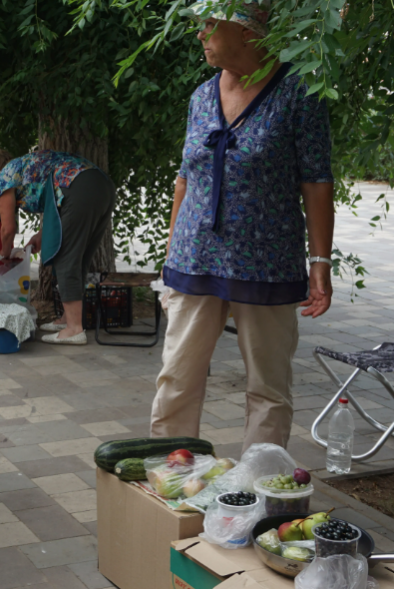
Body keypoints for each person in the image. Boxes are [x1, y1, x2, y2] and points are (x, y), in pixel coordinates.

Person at [151, 0, 335, 452]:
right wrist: (172, 252)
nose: (201, 34)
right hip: (195, 258)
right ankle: (172, 474)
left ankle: (257, 489)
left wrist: (320, 262)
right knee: (177, 374)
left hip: (266, 262)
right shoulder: (201, 97)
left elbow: (316, 182)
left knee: (268, 387)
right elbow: (185, 179)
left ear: (248, 32)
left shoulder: (299, 94)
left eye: (210, 24)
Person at [0, 148, 116, 345]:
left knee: (66, 257)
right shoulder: (26, 165)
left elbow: (7, 229)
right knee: (79, 258)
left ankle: (74, 329)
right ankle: (68, 320)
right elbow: (59, 202)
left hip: (78, 188)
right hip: (101, 186)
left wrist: (3, 255)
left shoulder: (6, 175)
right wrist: (42, 235)